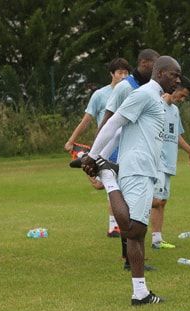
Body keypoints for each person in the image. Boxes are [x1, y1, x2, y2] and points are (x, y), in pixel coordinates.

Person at [80, 56, 182, 305]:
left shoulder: (155, 98)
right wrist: (95, 158)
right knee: (134, 229)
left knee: (137, 234)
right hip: (136, 169)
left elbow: (121, 131)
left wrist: (97, 157)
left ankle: (140, 293)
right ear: (160, 73)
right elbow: (114, 122)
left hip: (145, 169)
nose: (178, 80)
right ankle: (108, 178)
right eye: (174, 74)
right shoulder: (145, 94)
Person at [96, 49, 160, 270]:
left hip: (134, 151)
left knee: (134, 208)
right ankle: (129, 260)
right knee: (129, 209)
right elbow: (109, 120)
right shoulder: (125, 87)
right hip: (118, 152)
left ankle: (132, 258)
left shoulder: (146, 88)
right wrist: (100, 156)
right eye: (155, 64)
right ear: (143, 63)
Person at [64, 57, 131, 238]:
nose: (123, 76)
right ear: (111, 74)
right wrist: (71, 140)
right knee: (109, 185)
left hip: (126, 144)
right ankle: (113, 226)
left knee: (118, 185)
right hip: (107, 146)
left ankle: (119, 224)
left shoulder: (132, 91)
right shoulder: (100, 95)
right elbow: (87, 120)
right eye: (120, 73)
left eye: (126, 73)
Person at [151, 76, 190, 249]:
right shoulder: (156, 105)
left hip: (169, 163)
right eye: (182, 95)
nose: (182, 99)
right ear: (174, 88)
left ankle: (157, 239)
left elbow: (176, 135)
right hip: (157, 162)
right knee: (155, 200)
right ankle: (129, 203)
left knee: (162, 201)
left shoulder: (175, 111)